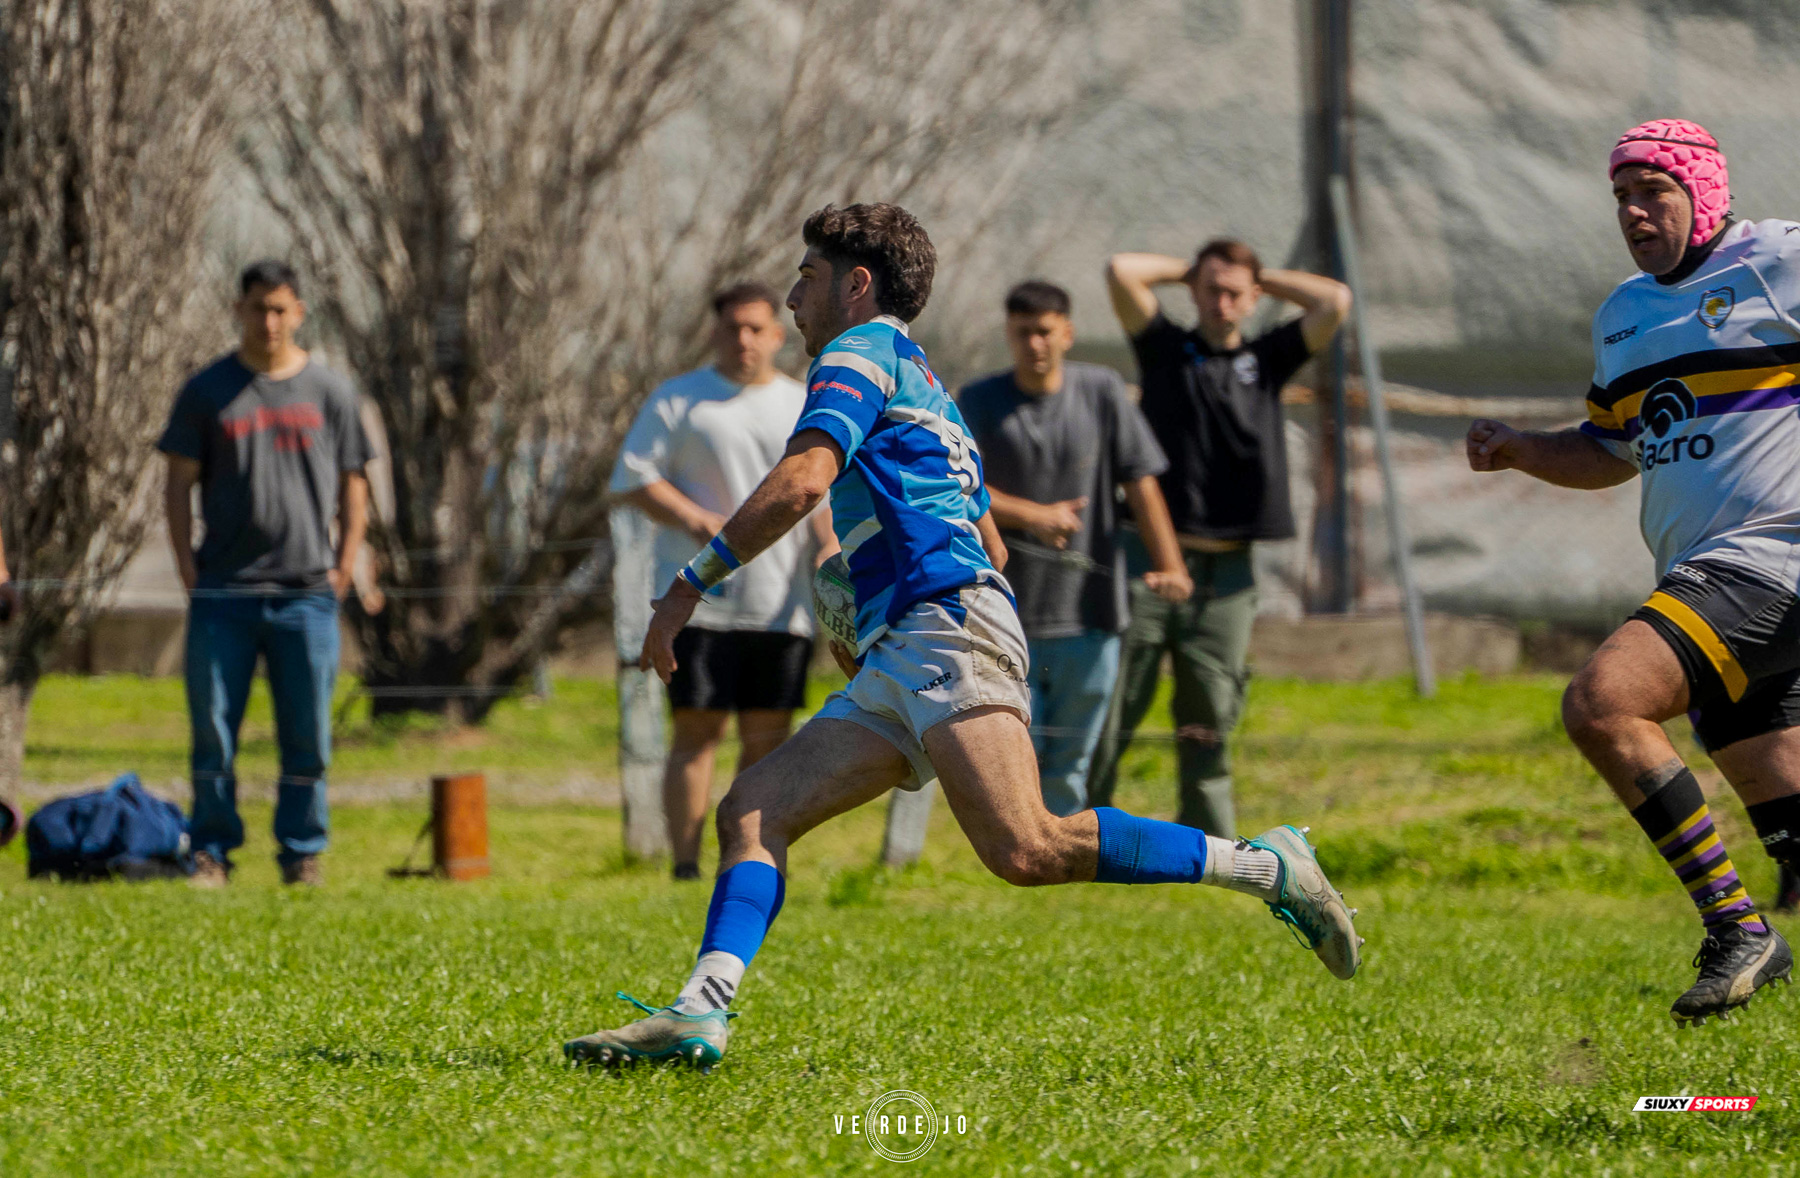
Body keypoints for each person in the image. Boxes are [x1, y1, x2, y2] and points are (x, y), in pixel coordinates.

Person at [565, 203, 1361, 1070]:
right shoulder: (926, 384)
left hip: (942, 626)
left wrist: (688, 586)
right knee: (754, 809)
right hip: (912, 639)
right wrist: (866, 601)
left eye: (806, 276)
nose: (793, 298)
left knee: (1028, 847)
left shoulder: (858, 354)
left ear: (856, 284)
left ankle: (1265, 866)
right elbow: (991, 542)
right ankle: (699, 1011)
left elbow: (803, 484)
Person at [1467, 119, 1800, 1024]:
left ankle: (1738, 929)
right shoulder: (1624, 315)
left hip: (1771, 560)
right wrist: (1519, 448)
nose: (1633, 211)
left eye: (1654, 191)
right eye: (1621, 196)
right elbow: (1610, 449)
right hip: (1714, 574)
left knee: (1603, 702)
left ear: (1705, 192)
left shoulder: (1777, 261)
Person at [1094, 240, 1351, 836]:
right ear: (1194, 292)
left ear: (1254, 297)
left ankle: (1210, 841)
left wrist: (1257, 275)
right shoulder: (1165, 348)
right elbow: (1121, 271)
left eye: (1235, 292)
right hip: (1148, 561)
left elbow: (1335, 301)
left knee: (1210, 712)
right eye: (1211, 290)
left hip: (1228, 576)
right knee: (1114, 703)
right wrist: (1191, 271)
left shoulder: (1268, 358)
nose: (1222, 302)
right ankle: (1082, 829)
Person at [159, 260, 374, 888]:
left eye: (281, 309)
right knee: (213, 732)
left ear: (299, 312)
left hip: (306, 594)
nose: (269, 321)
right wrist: (186, 566)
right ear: (240, 310)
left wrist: (345, 565)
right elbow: (177, 484)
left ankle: (302, 853)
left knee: (308, 735)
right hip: (223, 593)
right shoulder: (207, 390)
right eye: (258, 308)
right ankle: (211, 850)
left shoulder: (330, 392)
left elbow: (354, 485)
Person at [610, 282, 835, 880]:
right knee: (697, 732)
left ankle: (747, 860)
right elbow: (633, 477)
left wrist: (828, 550)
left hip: (780, 604)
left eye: (756, 328)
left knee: (768, 739)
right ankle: (685, 867)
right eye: (733, 327)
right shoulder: (679, 399)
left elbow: (820, 492)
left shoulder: (803, 402)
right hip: (699, 603)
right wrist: (699, 522)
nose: (744, 339)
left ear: (778, 334)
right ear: (714, 332)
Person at [957, 280, 1191, 816]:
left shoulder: (1101, 390)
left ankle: (1060, 851)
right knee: (1016, 755)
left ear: (1067, 332)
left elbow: (1141, 482)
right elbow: (959, 486)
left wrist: (1170, 565)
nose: (1034, 344)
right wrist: (1034, 516)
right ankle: (1020, 847)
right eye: (1023, 333)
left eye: (1044, 331)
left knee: (1072, 762)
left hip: (1091, 612)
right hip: (1004, 613)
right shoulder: (980, 400)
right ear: (1009, 334)